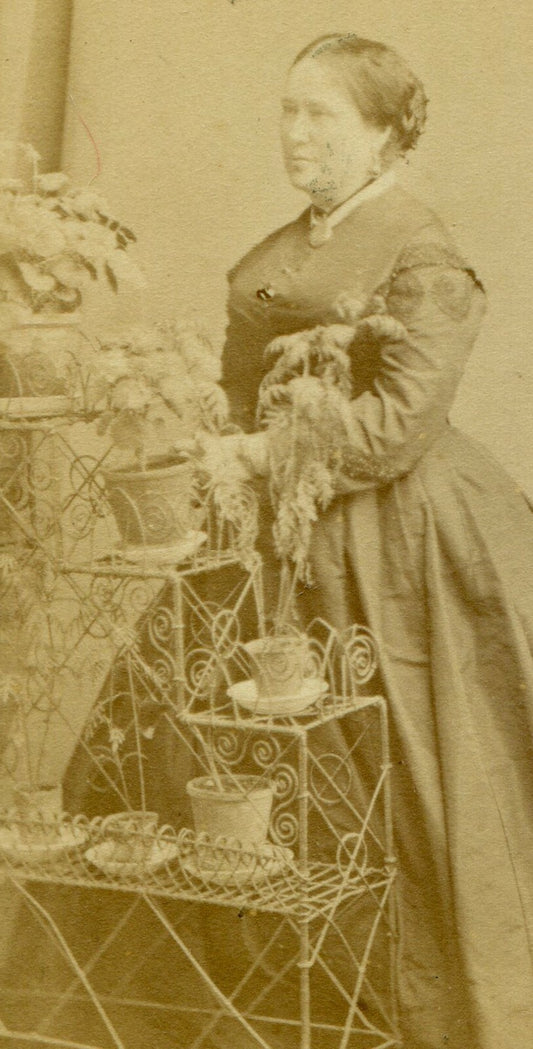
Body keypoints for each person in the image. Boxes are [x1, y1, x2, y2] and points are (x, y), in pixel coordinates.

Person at [205, 32, 533, 1049]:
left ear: (385, 133)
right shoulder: (287, 243)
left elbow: (396, 423)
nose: (296, 134)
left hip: (397, 536)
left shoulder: (419, 250)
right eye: (288, 110)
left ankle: (427, 1008)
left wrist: (260, 454)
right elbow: (236, 379)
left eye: (323, 115)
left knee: (416, 770)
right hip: (276, 527)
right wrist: (222, 449)